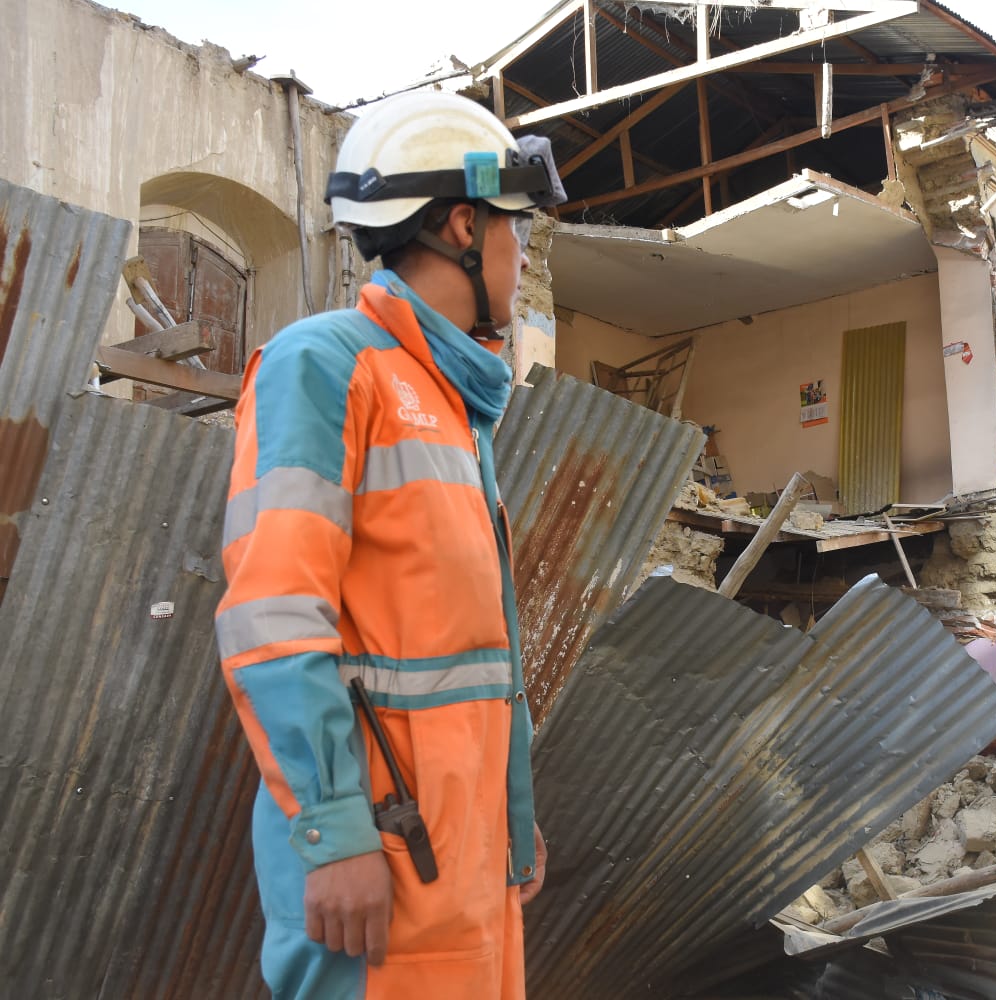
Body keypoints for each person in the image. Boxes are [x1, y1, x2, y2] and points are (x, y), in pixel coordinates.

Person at [215, 90, 566, 998]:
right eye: (514, 231)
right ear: (461, 226)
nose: (522, 258)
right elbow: (273, 614)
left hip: (465, 864)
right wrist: (332, 832)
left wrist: (513, 820)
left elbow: (480, 659)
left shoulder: (455, 404)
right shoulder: (326, 364)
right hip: (378, 863)